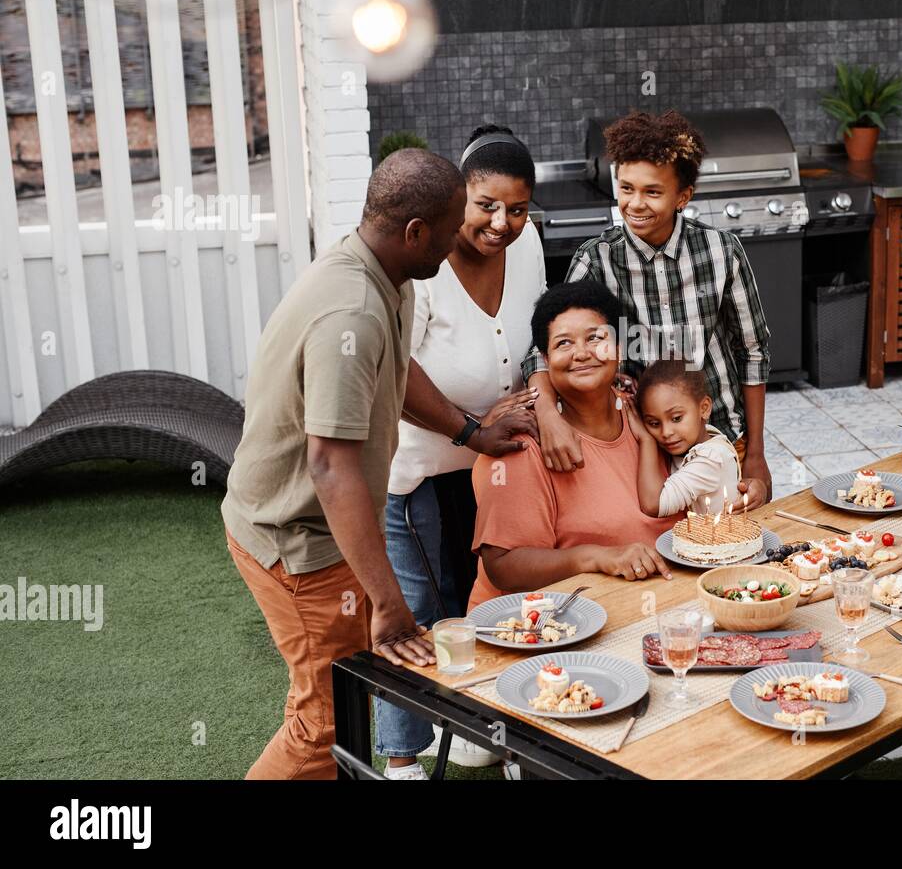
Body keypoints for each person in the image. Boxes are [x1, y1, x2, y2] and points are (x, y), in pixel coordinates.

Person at [221, 148, 464, 780]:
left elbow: (396, 372)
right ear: (415, 232)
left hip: (325, 527)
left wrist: (472, 431)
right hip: (296, 539)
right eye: (452, 225)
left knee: (340, 707)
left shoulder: (388, 275)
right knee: (324, 723)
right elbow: (329, 466)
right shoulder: (350, 309)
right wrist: (387, 601)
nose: (458, 238)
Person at [376, 125, 546, 779]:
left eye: (518, 208)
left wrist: (535, 394)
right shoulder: (425, 263)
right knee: (425, 612)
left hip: (500, 469)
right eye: (486, 206)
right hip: (422, 471)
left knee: (496, 604)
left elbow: (538, 330)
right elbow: (398, 371)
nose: (503, 223)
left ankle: (506, 737)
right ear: (458, 197)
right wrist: (471, 428)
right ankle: (400, 761)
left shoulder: (527, 244)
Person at [521, 110, 773, 507]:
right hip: (639, 448)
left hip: (721, 437)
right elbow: (543, 351)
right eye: (626, 188)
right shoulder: (598, 259)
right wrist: (548, 416)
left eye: (652, 192)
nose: (635, 204)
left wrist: (756, 452)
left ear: (682, 197)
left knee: (727, 545)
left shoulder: (722, 252)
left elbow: (752, 352)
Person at [466, 280, 679, 610]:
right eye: (564, 343)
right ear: (545, 359)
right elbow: (502, 567)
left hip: (654, 602)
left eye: (596, 338)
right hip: (546, 626)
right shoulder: (521, 443)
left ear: (620, 348)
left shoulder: (645, 412)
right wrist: (597, 557)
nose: (582, 353)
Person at [622, 357, 742, 518]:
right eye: (654, 423)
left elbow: (653, 505)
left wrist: (647, 440)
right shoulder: (698, 440)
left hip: (726, 541)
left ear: (704, 408)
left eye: (676, 418)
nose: (666, 432)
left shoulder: (711, 459)